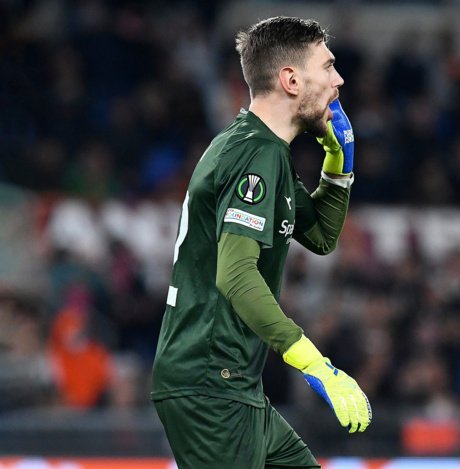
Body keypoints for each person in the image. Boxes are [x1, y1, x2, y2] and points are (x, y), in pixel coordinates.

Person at [151, 16, 371, 468]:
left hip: (234, 384)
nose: (338, 80)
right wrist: (314, 363)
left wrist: (338, 160)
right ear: (291, 80)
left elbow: (321, 235)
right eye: (327, 67)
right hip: (210, 384)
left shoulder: (265, 150)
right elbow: (235, 275)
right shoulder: (256, 154)